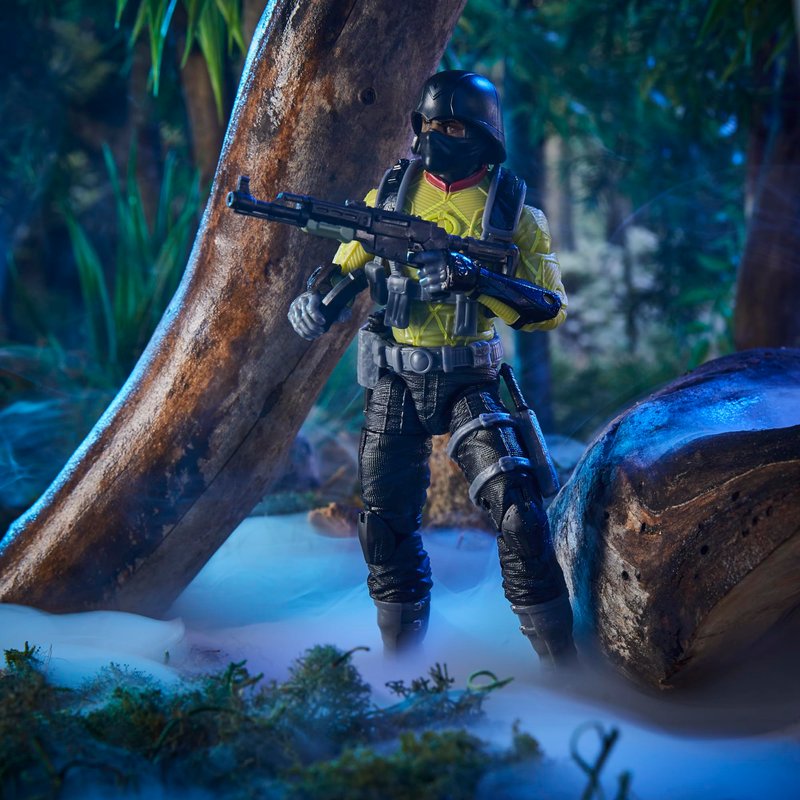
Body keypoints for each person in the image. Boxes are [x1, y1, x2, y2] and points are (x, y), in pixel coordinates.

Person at [288, 70, 576, 667]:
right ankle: (403, 665)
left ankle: (563, 668)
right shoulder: (392, 197)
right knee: (384, 525)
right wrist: (316, 303)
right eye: (426, 123)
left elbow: (548, 308)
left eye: (451, 126)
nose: (433, 136)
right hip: (396, 378)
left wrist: (476, 278)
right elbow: (348, 265)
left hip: (471, 378)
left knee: (520, 516)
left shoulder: (513, 210)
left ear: (482, 133)